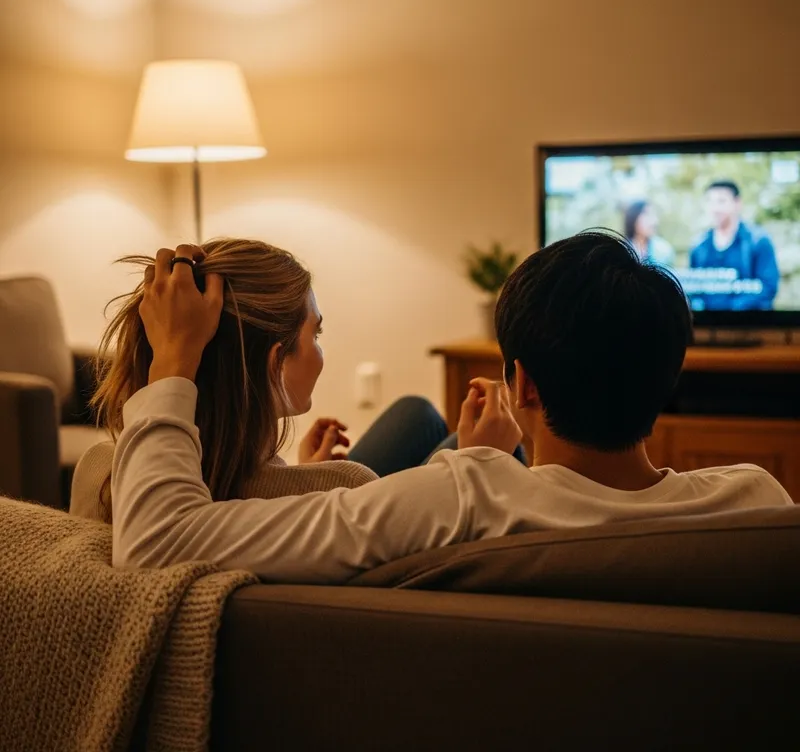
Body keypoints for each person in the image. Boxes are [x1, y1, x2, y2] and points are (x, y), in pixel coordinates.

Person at [108, 232, 792, 583]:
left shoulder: (459, 498)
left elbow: (157, 545)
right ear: (667, 380)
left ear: (522, 386)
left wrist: (174, 361)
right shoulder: (756, 505)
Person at [71, 238, 526, 523]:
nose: (321, 348)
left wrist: (294, 474)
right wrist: (482, 463)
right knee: (476, 440)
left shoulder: (101, 470)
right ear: (276, 362)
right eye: (316, 334)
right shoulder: (346, 487)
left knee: (416, 413)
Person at [689, 180, 780, 310]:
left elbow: (768, 287)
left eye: (721, 201)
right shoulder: (699, 245)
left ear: (737, 203)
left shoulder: (758, 241)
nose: (715, 208)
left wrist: (731, 310)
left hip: (749, 320)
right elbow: (694, 288)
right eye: (710, 201)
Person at [623, 200, 675, 267]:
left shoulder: (664, 250)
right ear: (633, 217)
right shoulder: (623, 251)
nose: (654, 221)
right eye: (647, 214)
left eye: (654, 215)